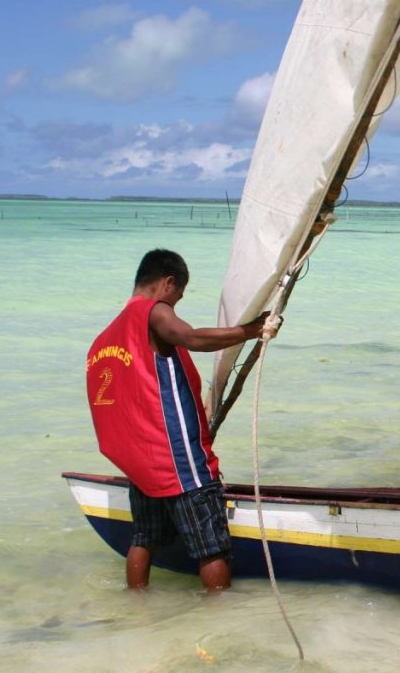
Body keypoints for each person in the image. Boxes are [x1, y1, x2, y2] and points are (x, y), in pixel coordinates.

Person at [86, 249, 272, 591]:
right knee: (211, 547)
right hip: (177, 459)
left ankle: (137, 610)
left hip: (141, 464)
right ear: (168, 283)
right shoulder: (154, 312)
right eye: (178, 298)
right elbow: (192, 338)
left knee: (144, 537)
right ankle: (218, 621)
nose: (175, 308)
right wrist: (250, 330)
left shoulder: (106, 336)